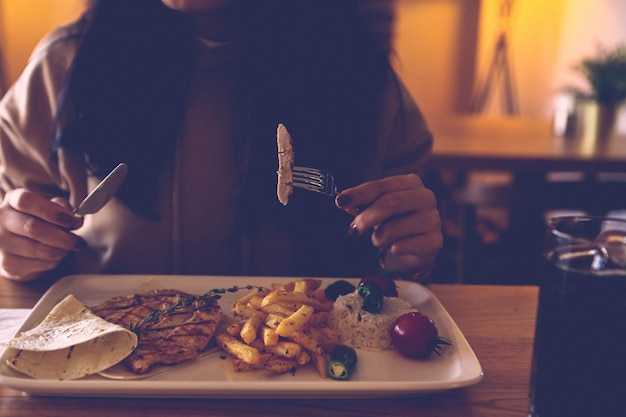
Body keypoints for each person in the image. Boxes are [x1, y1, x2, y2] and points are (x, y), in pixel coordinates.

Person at [0, 0, 442, 284]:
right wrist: (17, 245)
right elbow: (14, 221)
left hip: (309, 383)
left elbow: (401, 267)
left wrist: (409, 259)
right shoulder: (65, 65)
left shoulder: (355, 71)